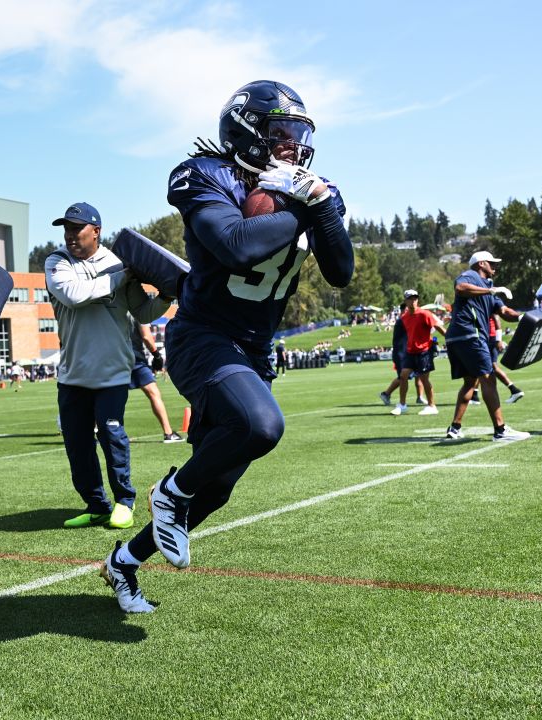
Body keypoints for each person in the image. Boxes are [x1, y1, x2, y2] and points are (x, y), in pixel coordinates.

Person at [99, 80, 353, 613]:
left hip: (255, 351)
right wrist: (308, 210)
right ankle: (168, 491)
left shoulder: (314, 189)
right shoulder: (205, 174)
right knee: (261, 427)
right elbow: (237, 246)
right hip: (204, 337)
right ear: (247, 130)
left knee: (214, 488)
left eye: (299, 134)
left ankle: (124, 561)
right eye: (281, 132)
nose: (293, 145)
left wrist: (322, 206)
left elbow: (341, 272)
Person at [46, 202, 170, 531]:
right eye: (67, 229)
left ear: (96, 231)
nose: (70, 235)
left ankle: (124, 502)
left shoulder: (118, 263)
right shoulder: (57, 262)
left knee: (112, 434)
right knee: (77, 444)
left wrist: (167, 295)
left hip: (114, 371)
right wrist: (121, 277)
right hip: (73, 373)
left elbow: (142, 312)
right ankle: (97, 505)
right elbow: (73, 295)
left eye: (77, 228)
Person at [443, 251, 530, 442]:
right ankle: (500, 430)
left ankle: (455, 427)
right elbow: (460, 287)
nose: (495, 267)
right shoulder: (472, 276)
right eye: (492, 263)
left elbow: (504, 311)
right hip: (470, 334)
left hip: (458, 337)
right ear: (481, 263)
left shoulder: (490, 287)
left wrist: (523, 317)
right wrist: (490, 291)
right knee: (488, 378)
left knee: (469, 382)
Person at [388, 289, 444, 416]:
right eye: (410, 298)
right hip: (410, 351)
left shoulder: (425, 314)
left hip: (424, 351)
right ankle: (402, 405)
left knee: (424, 379)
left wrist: (450, 339)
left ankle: (432, 406)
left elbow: (438, 327)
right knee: (403, 375)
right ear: (406, 301)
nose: (413, 301)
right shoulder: (404, 318)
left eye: (415, 298)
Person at [129, 318, 185, 443]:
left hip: (115, 358)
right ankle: (168, 433)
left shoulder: (114, 306)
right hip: (134, 358)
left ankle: (96, 433)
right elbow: (146, 336)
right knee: (154, 393)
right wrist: (157, 355)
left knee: (109, 394)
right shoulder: (137, 311)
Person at [469, 315, 524, 405]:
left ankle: (514, 390)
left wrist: (499, 340)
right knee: (480, 366)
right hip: (486, 337)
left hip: (489, 338)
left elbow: (496, 318)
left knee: (491, 366)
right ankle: (474, 396)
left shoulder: (488, 301)